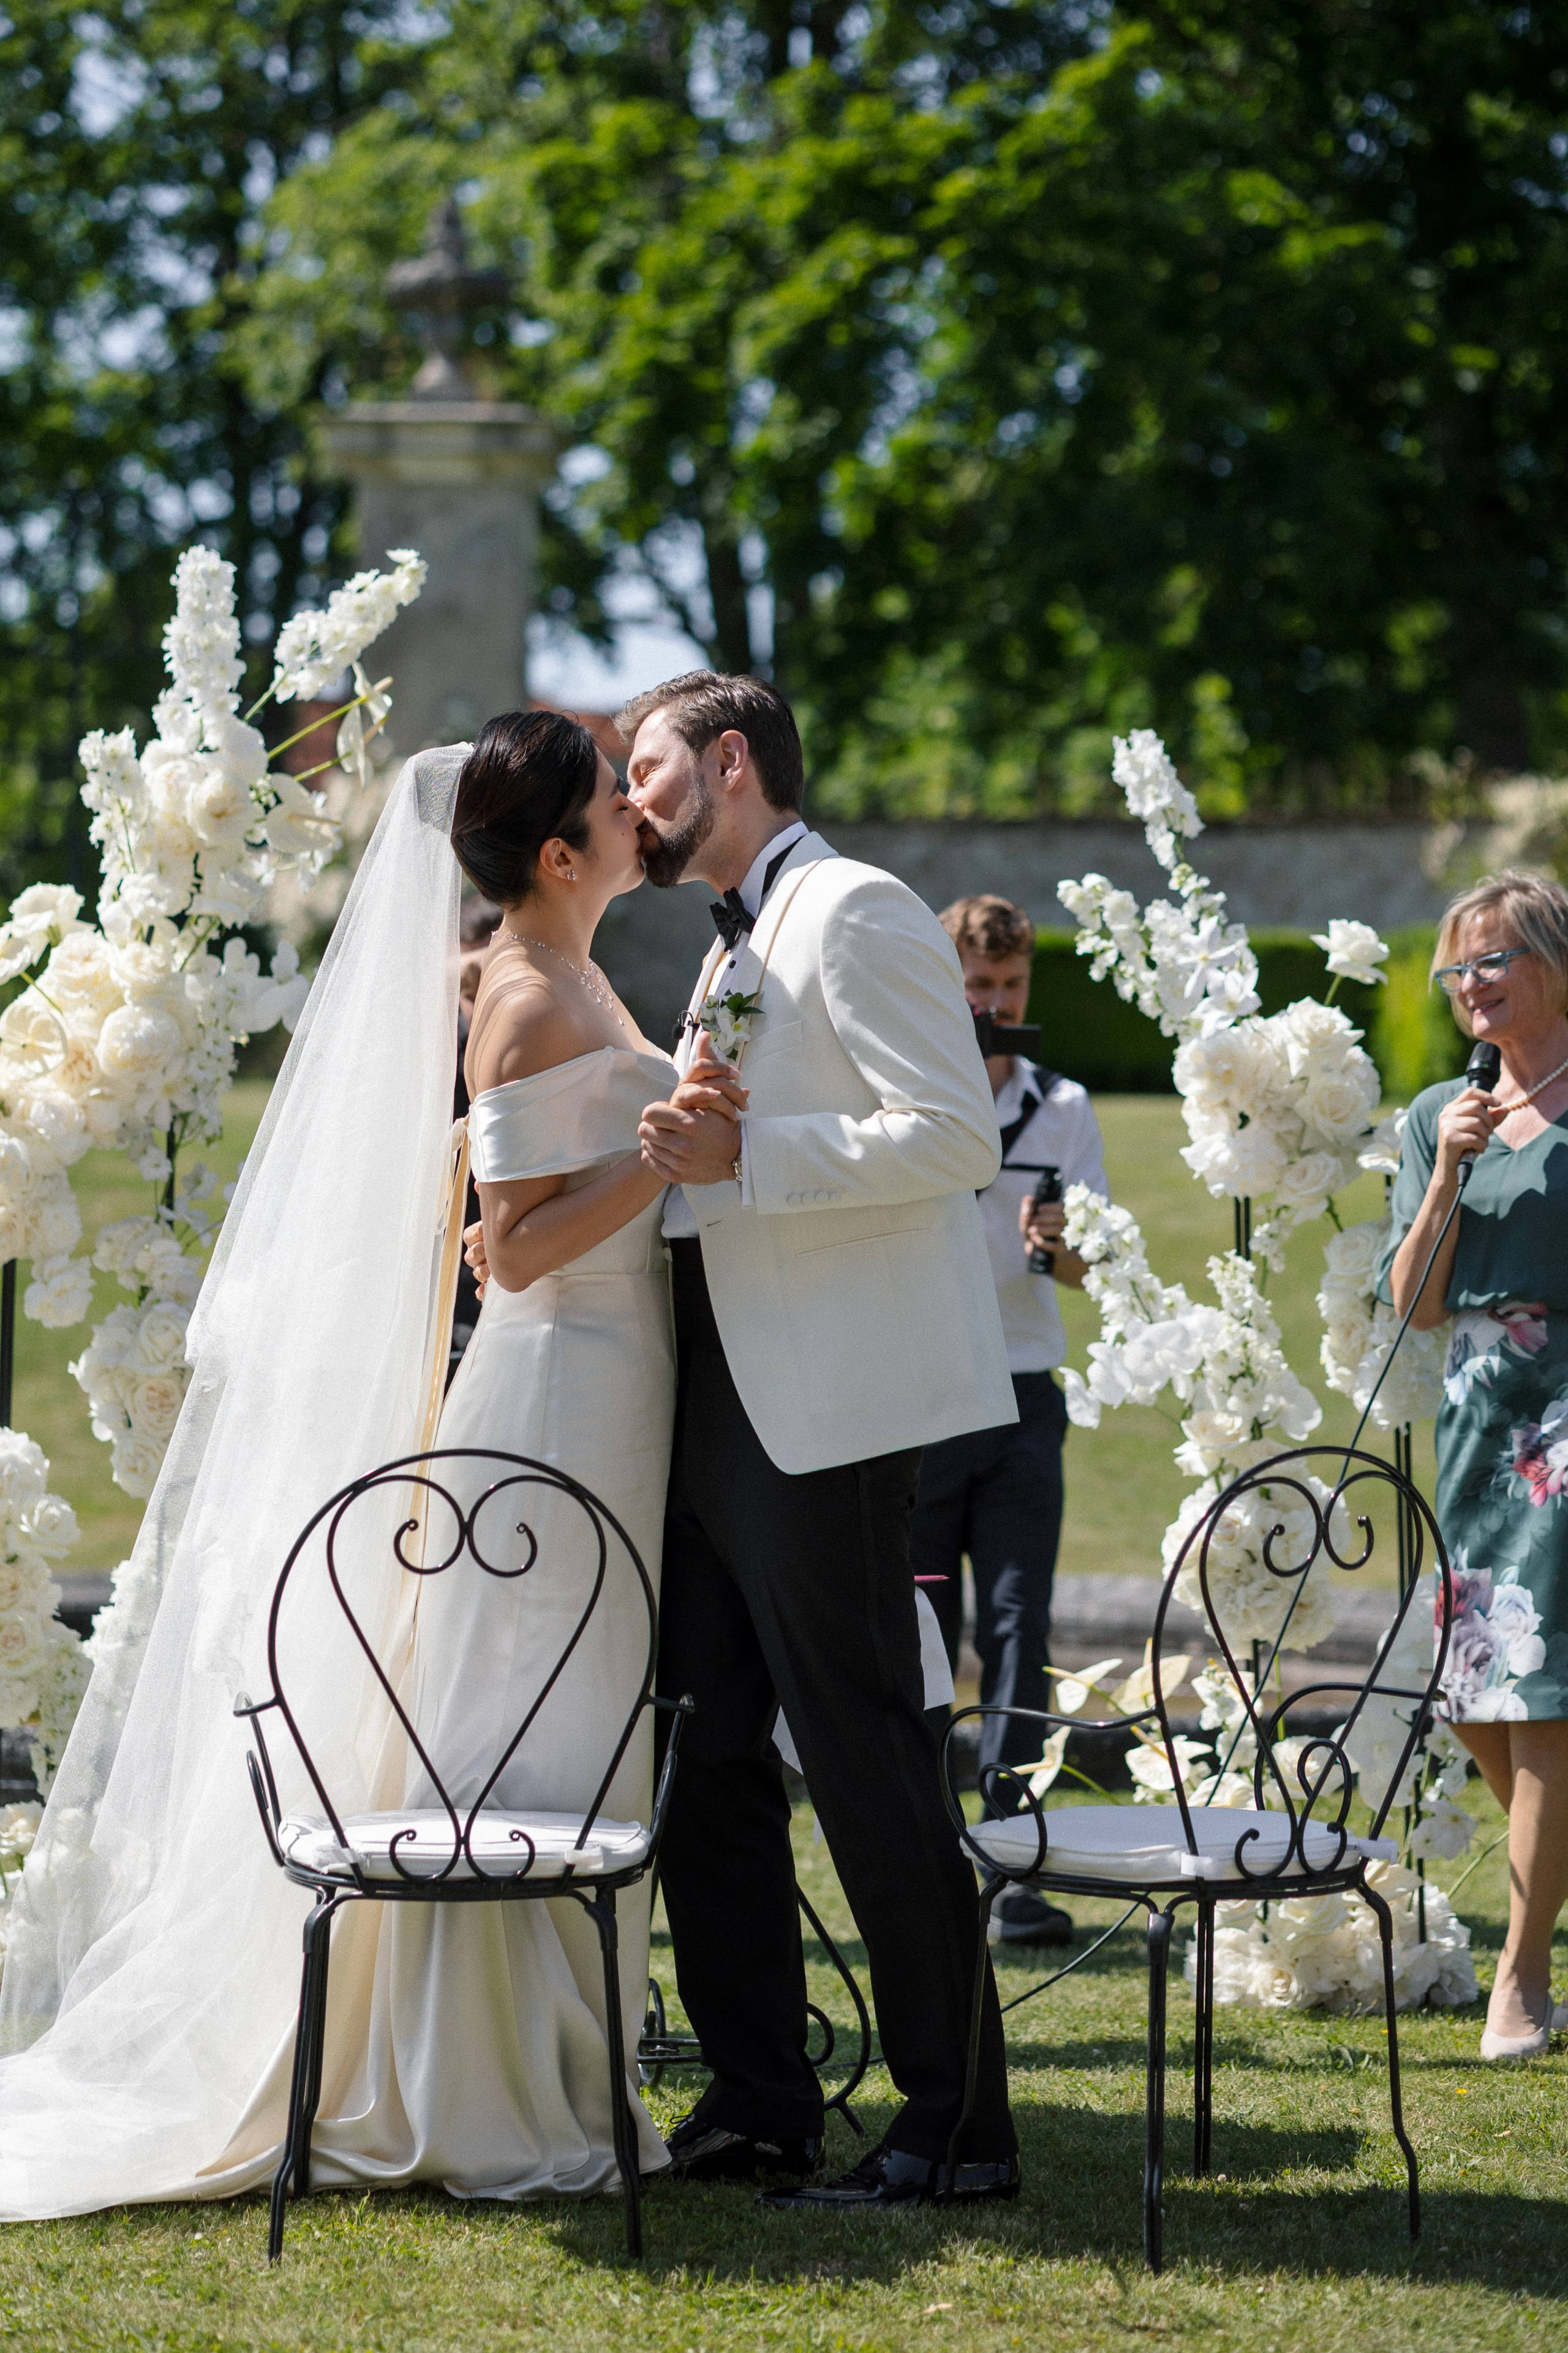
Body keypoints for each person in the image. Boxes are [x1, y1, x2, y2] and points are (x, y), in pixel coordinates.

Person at [0, 714, 715, 2215]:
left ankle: (569, 2058)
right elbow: (514, 1256)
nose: (631, 812)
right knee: (516, 1719)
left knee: (581, 1718)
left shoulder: (579, 970)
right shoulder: (522, 995)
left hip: (621, 1381)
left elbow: (498, 1199)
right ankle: (472, 2077)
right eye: (606, 797)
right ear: (557, 853)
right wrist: (651, 1157)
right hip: (553, 1395)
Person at [622, 670, 1021, 2210]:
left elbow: (953, 1136)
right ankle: (758, 2095)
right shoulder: (733, 937)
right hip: (713, 1392)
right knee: (705, 1745)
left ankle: (959, 2121)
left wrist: (747, 1150)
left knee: (862, 1754)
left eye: (646, 767)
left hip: (829, 1410)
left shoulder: (854, 907)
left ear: (730, 762)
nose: (632, 794)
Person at [1381, 869, 1568, 2061]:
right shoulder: (1430, 1113)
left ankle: (1519, 1970)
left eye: (1490, 958)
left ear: (1551, 960)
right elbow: (1411, 1301)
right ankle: (1540, 1920)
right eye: (1454, 968)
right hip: (1470, 1414)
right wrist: (1448, 1166)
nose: (1467, 985)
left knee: (1543, 1695)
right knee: (1476, 1697)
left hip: (1564, 1420)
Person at [908, 894, 1107, 1952]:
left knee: (1021, 1625)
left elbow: (1092, 1265)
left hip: (1027, 1392)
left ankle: (1016, 1859)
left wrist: (1060, 1247)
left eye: (1011, 988)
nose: (994, 1005)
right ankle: (931, 1851)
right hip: (931, 1396)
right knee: (925, 1630)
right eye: (978, 987)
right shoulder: (913, 1093)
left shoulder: (1063, 1105)